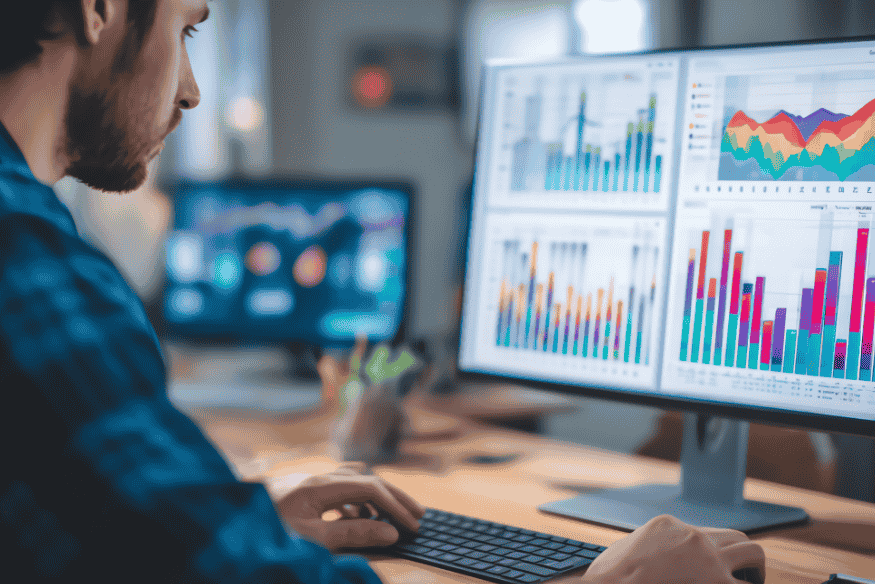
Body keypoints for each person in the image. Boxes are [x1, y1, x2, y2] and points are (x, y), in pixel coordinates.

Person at [0, 1, 766, 582]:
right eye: (188, 30)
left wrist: (235, 519)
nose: (193, 90)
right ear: (99, 6)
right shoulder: (29, 259)